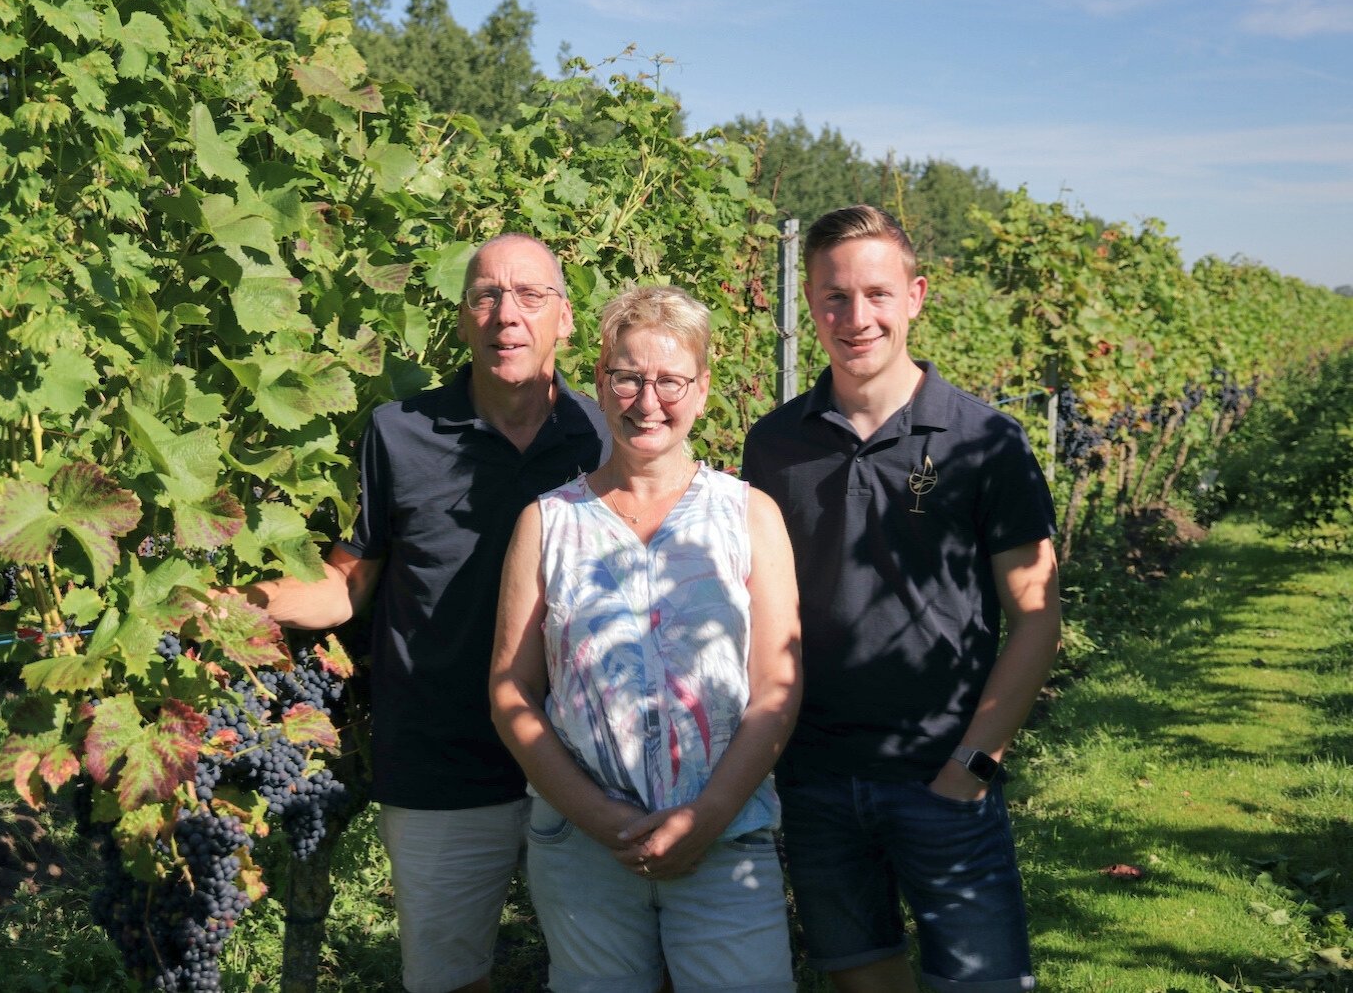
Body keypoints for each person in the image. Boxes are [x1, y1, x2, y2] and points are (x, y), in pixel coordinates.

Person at [235, 233, 610, 993]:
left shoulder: (603, 436)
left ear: (565, 319)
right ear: (465, 317)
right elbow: (347, 586)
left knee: (609, 975)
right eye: (487, 295)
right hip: (439, 759)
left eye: (531, 295)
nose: (508, 313)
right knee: (447, 979)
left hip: (583, 759)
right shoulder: (398, 431)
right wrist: (227, 607)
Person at [741, 205, 1061, 993]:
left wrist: (974, 762)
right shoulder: (774, 444)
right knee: (863, 978)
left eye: (877, 294)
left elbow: (1036, 613)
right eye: (835, 297)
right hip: (815, 780)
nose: (857, 317)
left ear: (915, 295)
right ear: (810, 303)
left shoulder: (983, 440)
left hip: (941, 775)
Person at [490, 285, 803, 993]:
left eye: (670, 380)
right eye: (629, 376)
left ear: (702, 388)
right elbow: (511, 690)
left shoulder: (747, 515)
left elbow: (777, 687)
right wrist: (596, 815)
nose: (647, 399)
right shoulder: (548, 524)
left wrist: (708, 813)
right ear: (601, 380)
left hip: (725, 843)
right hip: (582, 848)